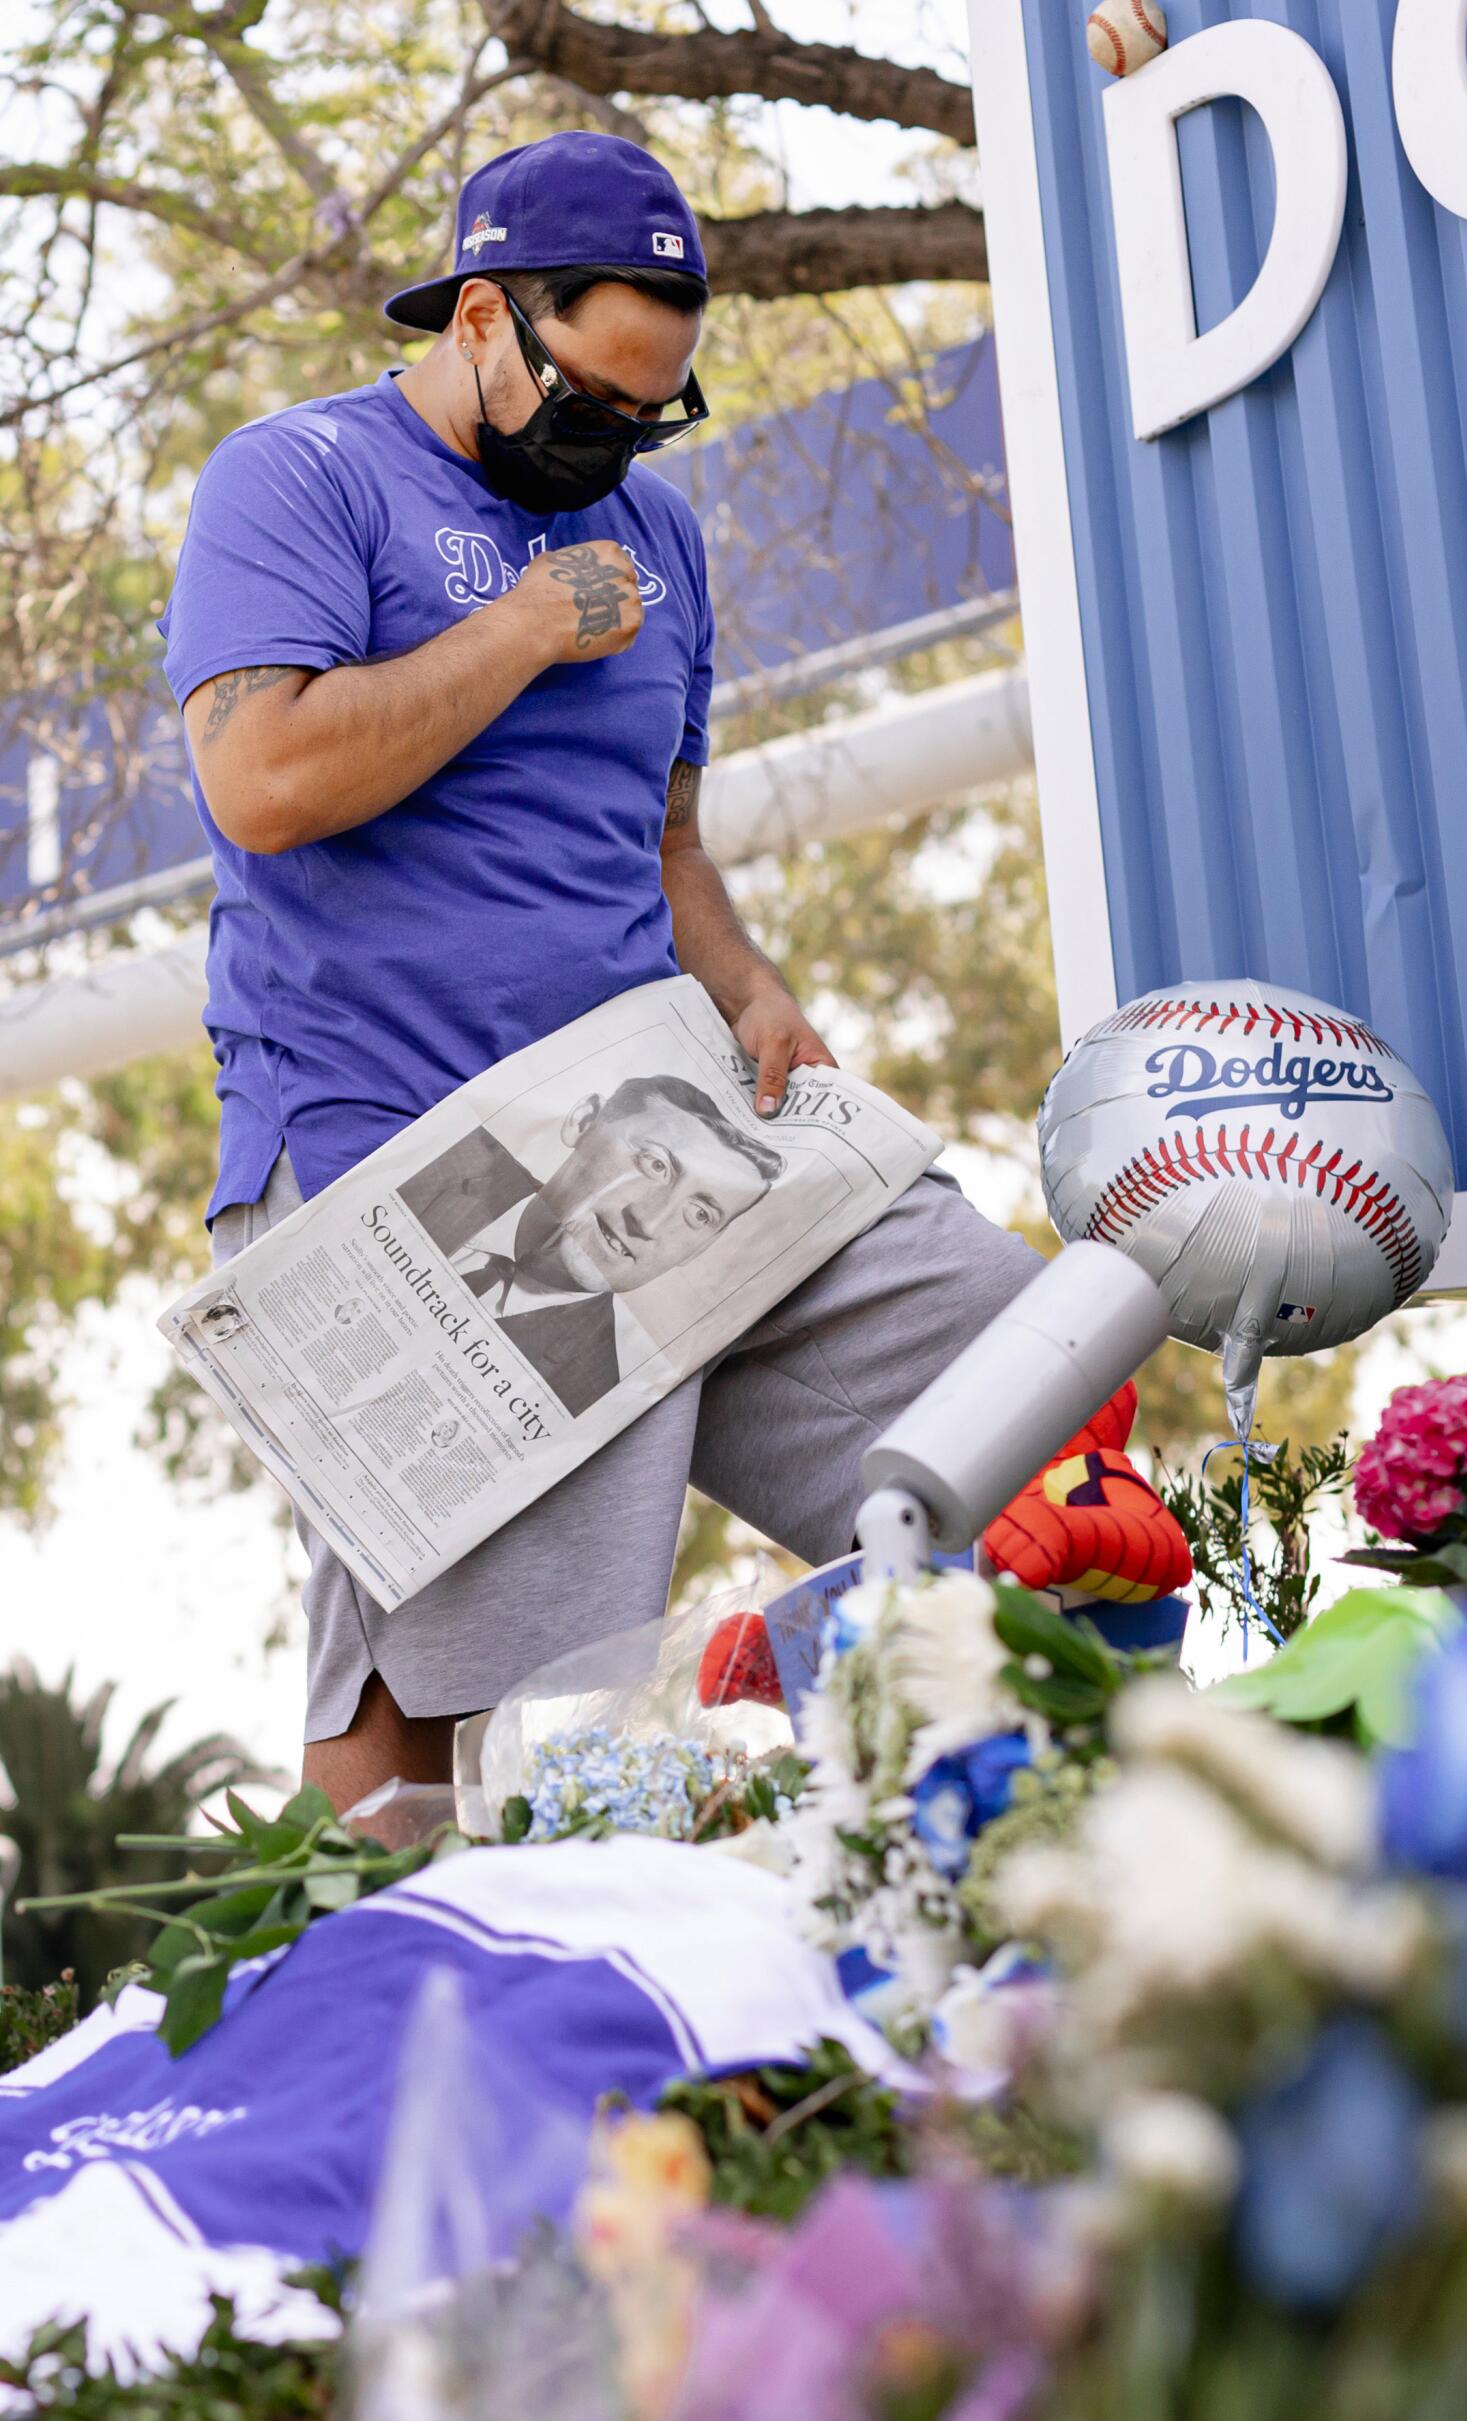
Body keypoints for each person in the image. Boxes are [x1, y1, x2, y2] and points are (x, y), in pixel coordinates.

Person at [163, 129, 1042, 1809]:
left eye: (654, 412)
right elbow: (261, 784)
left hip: (653, 1115)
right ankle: (377, 1994)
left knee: (1010, 1367)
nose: (621, 443)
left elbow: (670, 847)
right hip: (398, 1151)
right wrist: (516, 630)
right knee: (479, 1673)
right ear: (483, 318)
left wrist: (752, 990)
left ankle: (855, 1735)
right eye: (590, 404)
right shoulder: (297, 479)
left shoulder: (665, 537)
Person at [401, 1073, 785, 1416]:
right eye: (655, 1165)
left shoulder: (589, 1398)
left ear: (702, 1247)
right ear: (583, 1122)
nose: (648, 1222)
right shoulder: (430, 1150)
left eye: (700, 1214)